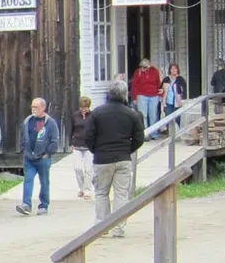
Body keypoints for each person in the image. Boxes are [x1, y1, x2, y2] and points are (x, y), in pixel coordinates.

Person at [84, 81, 145, 238]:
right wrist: (127, 150)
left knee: (101, 192)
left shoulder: (97, 113)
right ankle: (119, 228)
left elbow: (88, 137)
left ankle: (102, 227)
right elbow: (139, 138)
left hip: (102, 158)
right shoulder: (132, 114)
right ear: (125, 94)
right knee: (121, 194)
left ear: (108, 93)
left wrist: (96, 150)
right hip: (123, 158)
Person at [16, 97, 60, 215]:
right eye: (32, 107)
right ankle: (26, 205)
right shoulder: (28, 120)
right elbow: (22, 135)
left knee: (44, 181)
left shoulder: (50, 122)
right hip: (29, 158)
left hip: (43, 158)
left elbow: (55, 141)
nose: (33, 109)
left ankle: (43, 205)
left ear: (43, 108)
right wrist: (23, 150)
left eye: (36, 107)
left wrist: (48, 153)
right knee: (28, 180)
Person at [68, 95, 95, 200]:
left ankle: (87, 190)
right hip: (77, 144)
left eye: (86, 107)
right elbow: (71, 129)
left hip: (89, 146)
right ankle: (81, 187)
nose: (84, 109)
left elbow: (95, 131)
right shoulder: (75, 116)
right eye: (82, 107)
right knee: (77, 168)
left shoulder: (93, 116)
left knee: (88, 169)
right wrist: (70, 143)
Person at [130, 58, 162, 127]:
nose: (142, 68)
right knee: (143, 115)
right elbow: (134, 85)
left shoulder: (154, 71)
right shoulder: (137, 72)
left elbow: (158, 83)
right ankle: (145, 133)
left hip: (154, 95)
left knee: (153, 115)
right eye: (141, 66)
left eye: (144, 67)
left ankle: (154, 133)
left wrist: (160, 94)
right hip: (141, 95)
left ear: (149, 66)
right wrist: (134, 98)